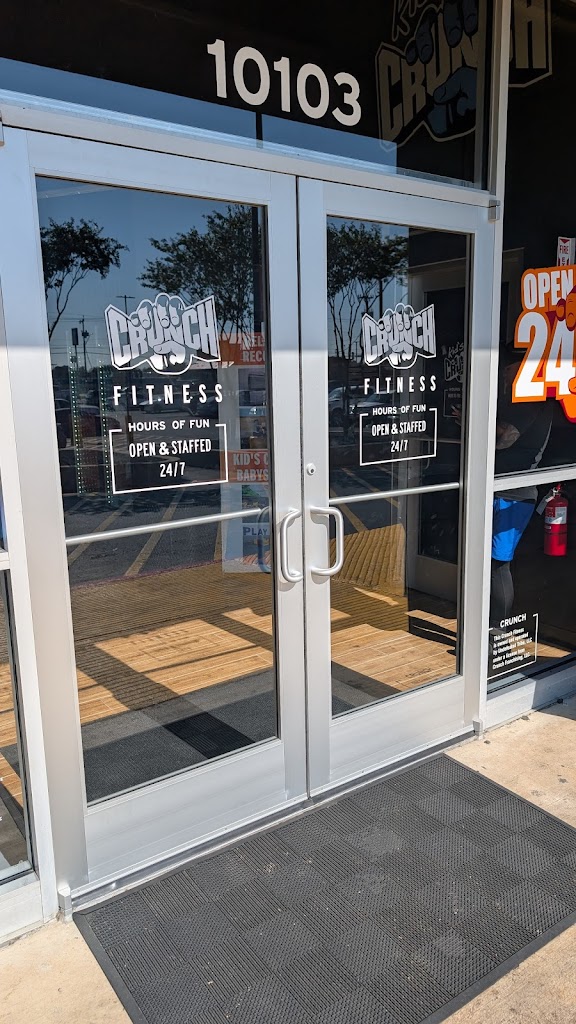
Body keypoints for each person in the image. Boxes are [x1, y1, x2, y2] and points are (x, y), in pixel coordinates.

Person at [490, 348, 553, 627]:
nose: (504, 372)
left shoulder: (531, 397)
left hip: (514, 493)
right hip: (493, 487)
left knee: (498, 564)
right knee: (486, 561)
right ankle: (483, 629)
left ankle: (496, 635)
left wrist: (476, 423)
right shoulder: (517, 397)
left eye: (509, 366)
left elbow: (506, 437)